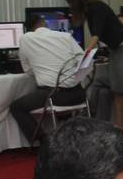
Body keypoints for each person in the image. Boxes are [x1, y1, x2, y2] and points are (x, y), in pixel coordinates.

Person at [64, 0, 123, 147]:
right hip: (115, 50)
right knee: (118, 93)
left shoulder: (95, 8)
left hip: (122, 48)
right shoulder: (92, 9)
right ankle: (118, 132)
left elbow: (96, 34)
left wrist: (86, 53)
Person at [10, 15, 87, 144]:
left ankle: (44, 141)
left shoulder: (25, 38)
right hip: (79, 94)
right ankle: (68, 136)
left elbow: (28, 70)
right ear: (44, 23)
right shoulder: (66, 36)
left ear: (28, 28)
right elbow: (83, 60)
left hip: (53, 96)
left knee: (16, 107)